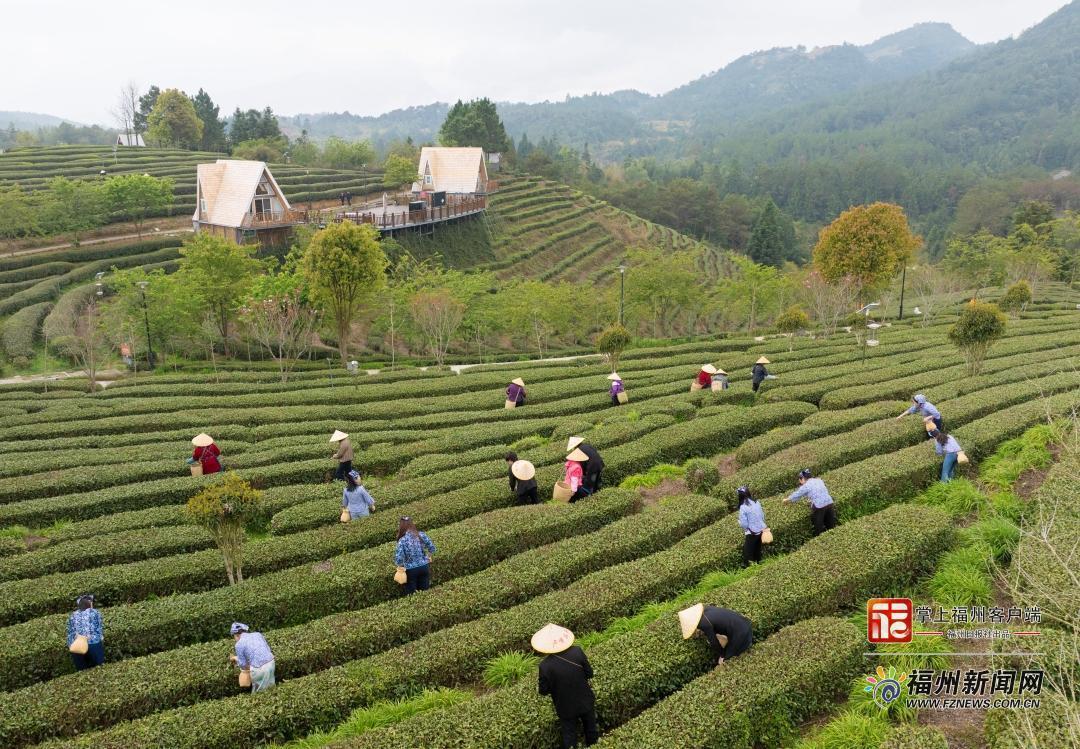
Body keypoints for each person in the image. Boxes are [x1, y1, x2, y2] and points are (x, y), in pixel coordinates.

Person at [533, 623, 599, 748]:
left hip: (565, 707)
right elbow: (589, 673)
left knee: (569, 737)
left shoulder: (545, 666)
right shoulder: (577, 651)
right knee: (592, 732)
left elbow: (543, 691)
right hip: (585, 700)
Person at [678, 603, 753, 665]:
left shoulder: (703, 623)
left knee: (725, 661)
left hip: (741, 633)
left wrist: (723, 656)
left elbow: (714, 643)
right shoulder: (707, 609)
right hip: (745, 623)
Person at [783, 468, 837, 536]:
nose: (800, 483)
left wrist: (787, 499)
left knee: (818, 528)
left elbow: (797, 494)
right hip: (829, 502)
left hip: (819, 506)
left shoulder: (806, 485)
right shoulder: (819, 480)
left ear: (802, 479)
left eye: (800, 481)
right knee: (831, 525)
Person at [394, 516, 436, 594]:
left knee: (412, 595)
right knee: (425, 593)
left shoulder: (402, 540)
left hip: (410, 570)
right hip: (424, 566)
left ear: (401, 526)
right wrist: (427, 557)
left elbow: (398, 559)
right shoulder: (420, 534)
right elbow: (432, 548)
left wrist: (401, 566)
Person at [230, 622, 276, 692]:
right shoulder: (257, 634)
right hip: (271, 663)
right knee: (271, 687)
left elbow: (243, 665)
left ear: (236, 635)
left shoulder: (239, 644)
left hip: (259, 669)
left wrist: (236, 660)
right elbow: (267, 649)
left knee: (259, 692)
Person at [66, 594, 104, 671]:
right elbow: (99, 628)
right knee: (99, 668)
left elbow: (70, 633)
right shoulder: (95, 612)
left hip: (77, 645)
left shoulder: (72, 615)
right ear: (90, 604)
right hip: (93, 643)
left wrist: (70, 645)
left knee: (82, 670)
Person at [736, 486, 767, 567]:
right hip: (761, 529)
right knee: (757, 549)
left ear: (740, 496)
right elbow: (762, 516)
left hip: (752, 532)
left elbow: (744, 524)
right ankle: (759, 564)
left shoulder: (743, 507)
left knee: (748, 552)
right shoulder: (756, 502)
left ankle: (750, 567)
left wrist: (740, 523)